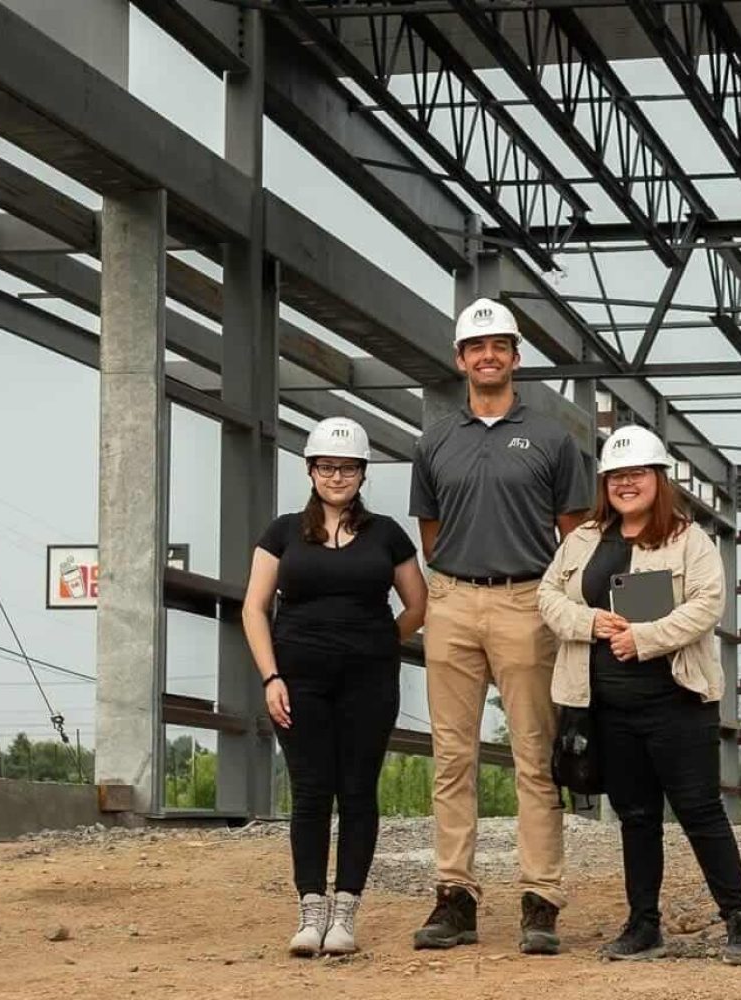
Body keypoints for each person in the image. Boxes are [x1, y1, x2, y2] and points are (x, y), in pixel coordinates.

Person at [409, 297, 591, 955]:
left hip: (525, 602)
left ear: (515, 357)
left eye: (500, 346)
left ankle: (540, 900)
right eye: (476, 347)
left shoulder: (550, 440)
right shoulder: (433, 442)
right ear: (460, 360)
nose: (488, 355)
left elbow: (574, 540)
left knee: (534, 758)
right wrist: (456, 584)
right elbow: (431, 536)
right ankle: (454, 896)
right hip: (452, 600)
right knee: (451, 758)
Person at [537, 425, 741, 965]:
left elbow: (708, 604)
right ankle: (643, 925)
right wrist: (589, 622)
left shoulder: (690, 540)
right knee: (635, 816)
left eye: (637, 474)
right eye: (616, 476)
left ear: (658, 479)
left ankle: (738, 917)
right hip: (607, 705)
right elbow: (547, 595)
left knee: (699, 810)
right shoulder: (584, 539)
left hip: (677, 702)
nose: (626, 484)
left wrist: (645, 637)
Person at [242, 416, 427, 957]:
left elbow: (418, 604)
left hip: (369, 681)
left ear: (363, 474)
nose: (337, 476)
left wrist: (379, 640)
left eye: (348, 468)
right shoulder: (281, 532)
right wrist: (270, 675)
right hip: (299, 679)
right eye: (327, 466)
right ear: (310, 470)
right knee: (310, 790)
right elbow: (254, 608)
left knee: (357, 789)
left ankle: (346, 910)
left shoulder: (387, 534)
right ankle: (310, 908)